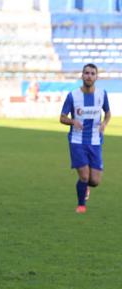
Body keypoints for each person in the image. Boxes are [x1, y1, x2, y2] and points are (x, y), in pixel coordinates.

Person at [59, 63, 111, 213]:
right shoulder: (73, 95)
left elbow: (108, 113)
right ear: (82, 76)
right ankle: (81, 205)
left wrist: (104, 123)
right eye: (86, 73)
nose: (89, 76)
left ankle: (87, 186)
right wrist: (72, 121)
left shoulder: (102, 94)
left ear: (96, 77)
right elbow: (62, 117)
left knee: (94, 181)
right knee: (84, 175)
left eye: (92, 73)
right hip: (77, 141)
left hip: (95, 141)